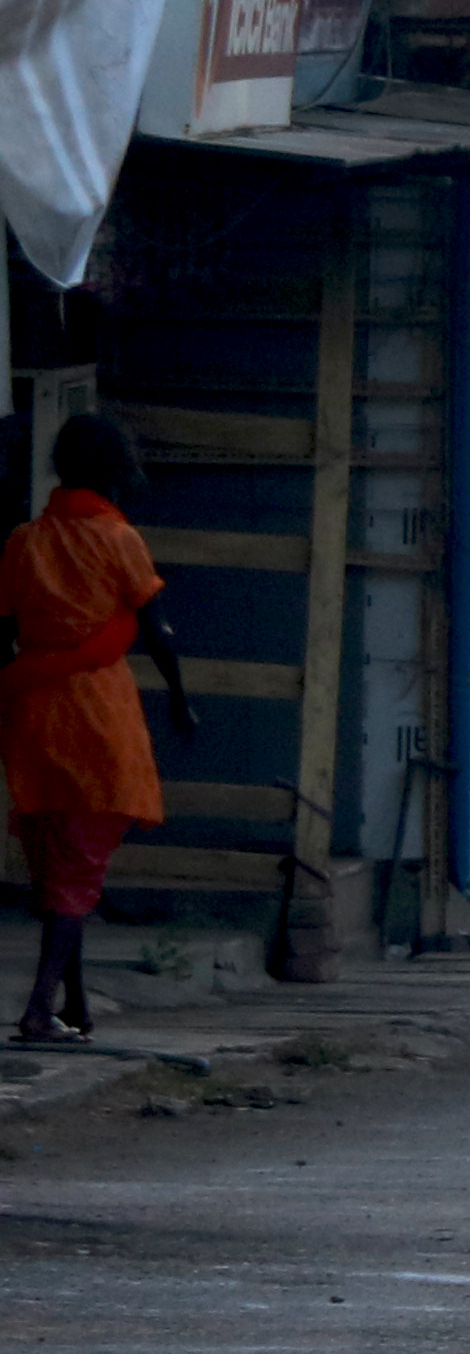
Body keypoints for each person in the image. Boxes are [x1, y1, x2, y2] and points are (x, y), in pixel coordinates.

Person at [2, 412, 190, 1045]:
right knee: (79, 871)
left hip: (31, 711)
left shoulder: (24, 540)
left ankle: (74, 1007)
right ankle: (36, 1011)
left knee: (56, 866)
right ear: (115, 470)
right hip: (96, 714)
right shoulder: (120, 540)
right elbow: (157, 629)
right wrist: (181, 698)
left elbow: (5, 628)